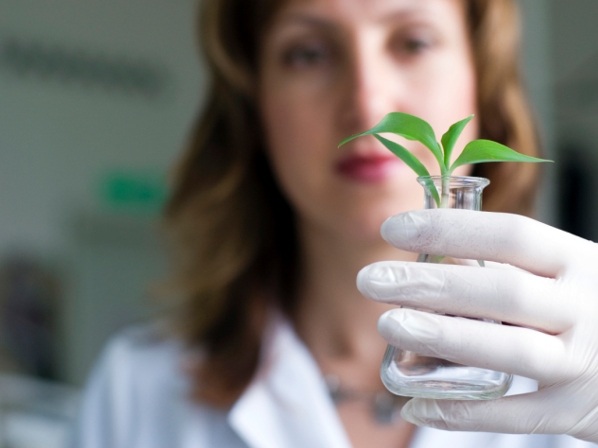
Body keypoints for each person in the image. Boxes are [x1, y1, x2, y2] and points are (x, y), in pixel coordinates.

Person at [71, 0, 598, 447]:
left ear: (483, 87)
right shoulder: (137, 392)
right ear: (254, 108)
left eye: (412, 42)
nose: (367, 106)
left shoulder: (572, 378)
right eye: (309, 53)